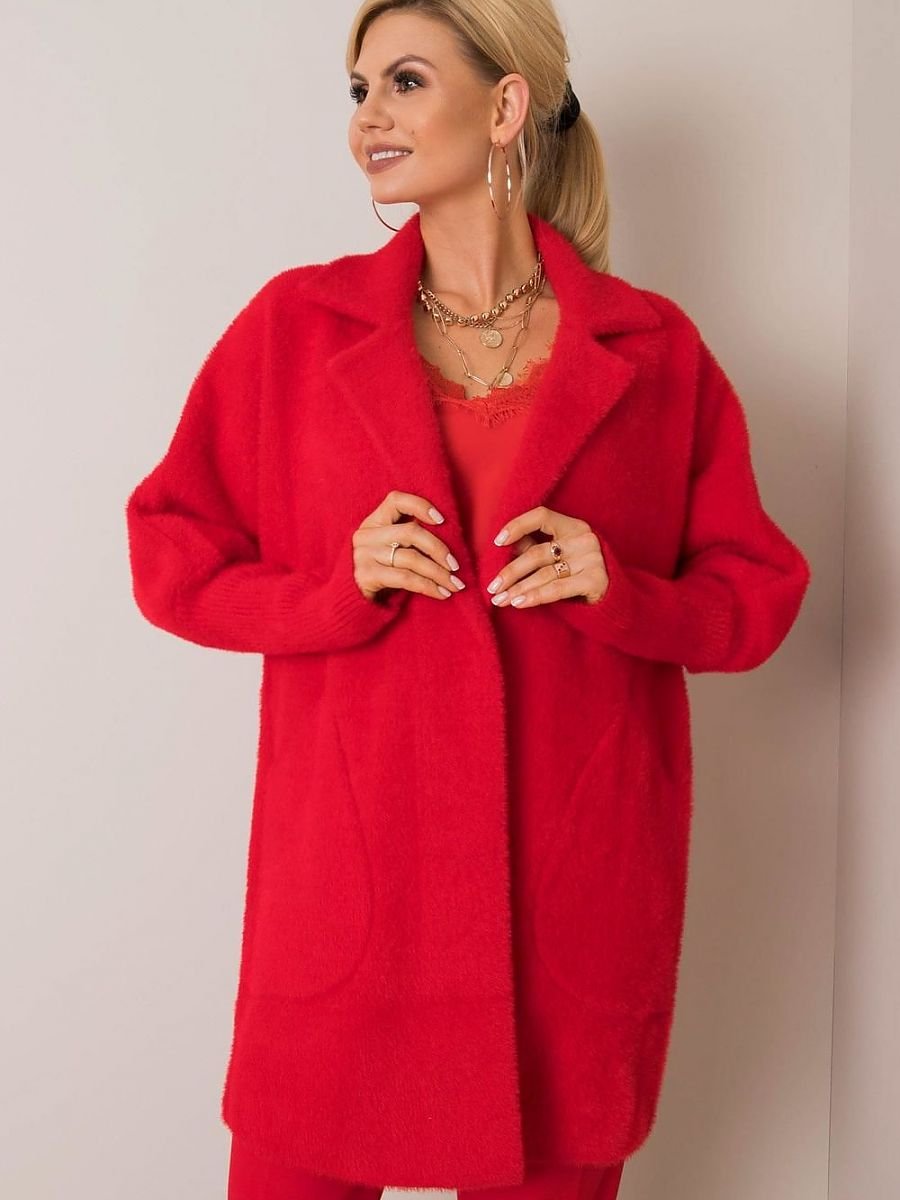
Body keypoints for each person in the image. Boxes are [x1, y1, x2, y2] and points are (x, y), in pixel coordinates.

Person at [125, 2, 813, 1197]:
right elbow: (170, 552)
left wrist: (622, 590)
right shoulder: (297, 330)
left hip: (563, 913)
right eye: (358, 91)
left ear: (504, 107)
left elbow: (754, 594)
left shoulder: (652, 352)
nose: (368, 119)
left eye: (403, 81)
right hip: (349, 897)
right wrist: (332, 590)